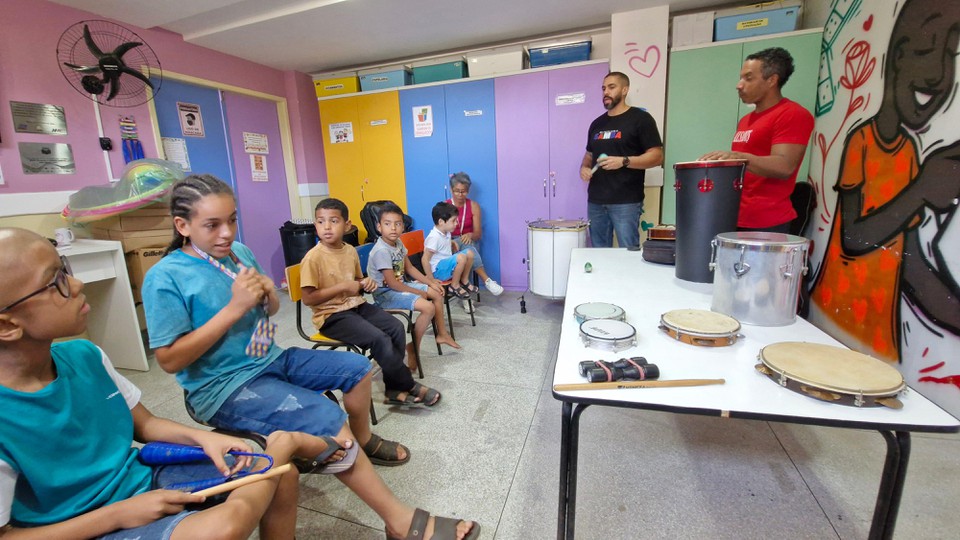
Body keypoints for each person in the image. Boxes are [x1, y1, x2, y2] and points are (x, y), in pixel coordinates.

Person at [142, 175, 479, 540]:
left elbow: (268, 310)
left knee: (357, 368)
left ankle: (362, 441)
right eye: (212, 225)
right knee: (324, 414)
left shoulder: (238, 254)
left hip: (267, 358)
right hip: (223, 385)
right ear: (183, 226)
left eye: (232, 220)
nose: (227, 233)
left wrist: (267, 296)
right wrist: (234, 309)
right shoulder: (166, 277)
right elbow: (170, 360)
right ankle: (398, 521)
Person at [0, 227, 311, 539]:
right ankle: (283, 446)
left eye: (65, 268)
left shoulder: (86, 355)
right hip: (76, 526)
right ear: (7, 325)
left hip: (135, 481)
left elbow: (146, 425)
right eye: (56, 282)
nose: (77, 283)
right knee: (222, 527)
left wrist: (202, 439)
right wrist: (116, 515)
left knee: (281, 476)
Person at [300, 198, 441, 406]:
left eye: (334, 221)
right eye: (321, 222)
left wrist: (364, 282)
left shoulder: (349, 250)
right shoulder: (313, 258)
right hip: (331, 315)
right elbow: (308, 298)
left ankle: (393, 389)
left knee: (395, 328)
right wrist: (342, 287)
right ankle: (407, 385)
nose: (327, 227)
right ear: (315, 225)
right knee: (379, 339)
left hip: (355, 304)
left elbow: (357, 281)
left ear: (347, 225)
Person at [700, 47, 815, 233]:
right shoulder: (746, 120)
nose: (739, 85)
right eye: (741, 78)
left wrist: (736, 157)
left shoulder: (793, 114)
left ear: (772, 80)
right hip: (736, 215)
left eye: (748, 78)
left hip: (767, 222)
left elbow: (784, 166)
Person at [367, 201, 461, 368]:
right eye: (388, 224)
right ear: (379, 227)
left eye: (398, 224)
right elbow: (391, 283)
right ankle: (414, 348)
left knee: (436, 291)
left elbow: (409, 268)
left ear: (403, 226)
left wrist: (430, 281)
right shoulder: (382, 250)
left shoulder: (398, 244)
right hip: (386, 294)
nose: (393, 228)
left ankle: (442, 334)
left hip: (399, 287)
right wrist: (417, 292)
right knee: (428, 307)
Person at [579, 71, 664, 249]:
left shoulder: (641, 119)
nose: (605, 92)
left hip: (626, 201)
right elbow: (588, 156)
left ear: (625, 90)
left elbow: (657, 156)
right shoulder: (596, 124)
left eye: (611, 87)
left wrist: (624, 161)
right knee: (599, 253)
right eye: (603, 88)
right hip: (596, 201)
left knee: (628, 252)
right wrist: (584, 168)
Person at [445, 172, 504, 313]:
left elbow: (478, 234)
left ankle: (466, 298)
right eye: (457, 191)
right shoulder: (444, 206)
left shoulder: (474, 206)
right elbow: (440, 232)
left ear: (468, 190)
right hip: (449, 244)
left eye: (463, 191)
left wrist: (470, 234)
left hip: (469, 242)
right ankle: (487, 280)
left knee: (467, 250)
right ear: (451, 190)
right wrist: (455, 241)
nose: (460, 195)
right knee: (467, 249)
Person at [423, 202, 477, 299]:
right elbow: (425, 259)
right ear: (441, 222)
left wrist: (451, 242)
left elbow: (442, 243)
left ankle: (464, 280)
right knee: (461, 257)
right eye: (453, 221)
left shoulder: (445, 232)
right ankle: (454, 285)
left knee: (470, 252)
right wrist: (431, 279)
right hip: (437, 272)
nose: (456, 223)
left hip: (446, 267)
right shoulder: (434, 237)